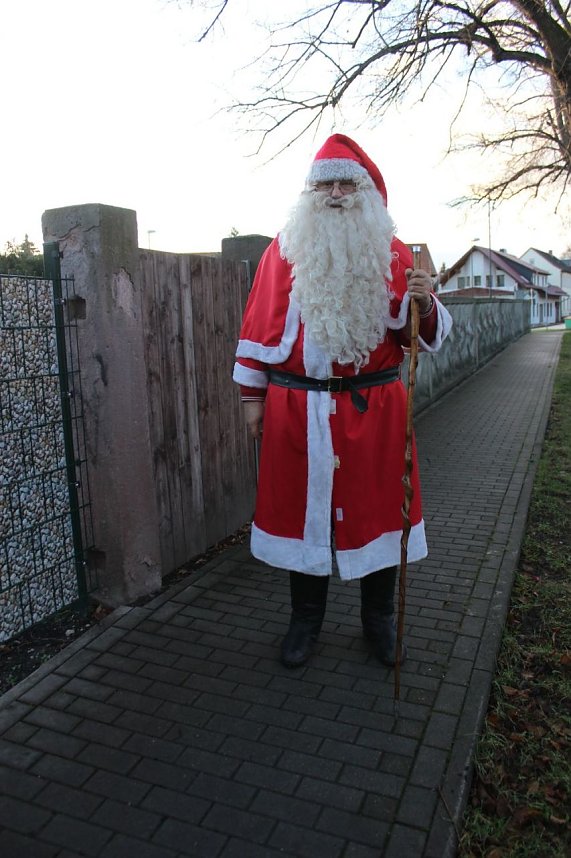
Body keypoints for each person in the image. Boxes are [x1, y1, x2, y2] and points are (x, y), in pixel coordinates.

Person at [233, 134, 453, 669]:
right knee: (303, 520)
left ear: (365, 191)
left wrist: (424, 301)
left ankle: (378, 621)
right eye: (325, 183)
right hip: (297, 410)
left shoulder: (393, 253)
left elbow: (417, 335)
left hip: (374, 410)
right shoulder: (283, 249)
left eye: (345, 183)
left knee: (379, 514)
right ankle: (304, 621)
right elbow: (259, 320)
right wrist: (251, 396)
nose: (335, 193)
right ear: (310, 191)